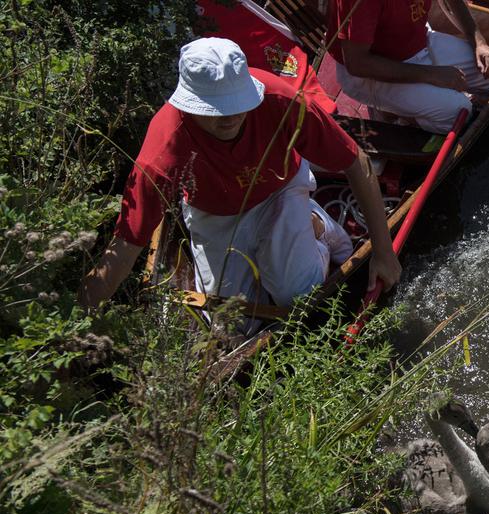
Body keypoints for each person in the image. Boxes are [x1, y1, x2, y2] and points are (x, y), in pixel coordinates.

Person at [79, 38, 400, 310]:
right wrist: (73, 327)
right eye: (215, 111)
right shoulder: (164, 150)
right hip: (215, 213)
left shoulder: (279, 100)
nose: (230, 117)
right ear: (189, 105)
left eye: (237, 104)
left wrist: (383, 252)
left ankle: (317, 226)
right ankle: (295, 235)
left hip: (280, 189)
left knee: (297, 295)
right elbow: (124, 249)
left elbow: (354, 161)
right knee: (232, 318)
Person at [327, 0, 489, 134]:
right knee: (460, 113)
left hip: (417, 40)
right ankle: (397, 116)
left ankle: (411, 104)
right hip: (369, 73)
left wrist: (479, 42)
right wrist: (432, 75)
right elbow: (357, 64)